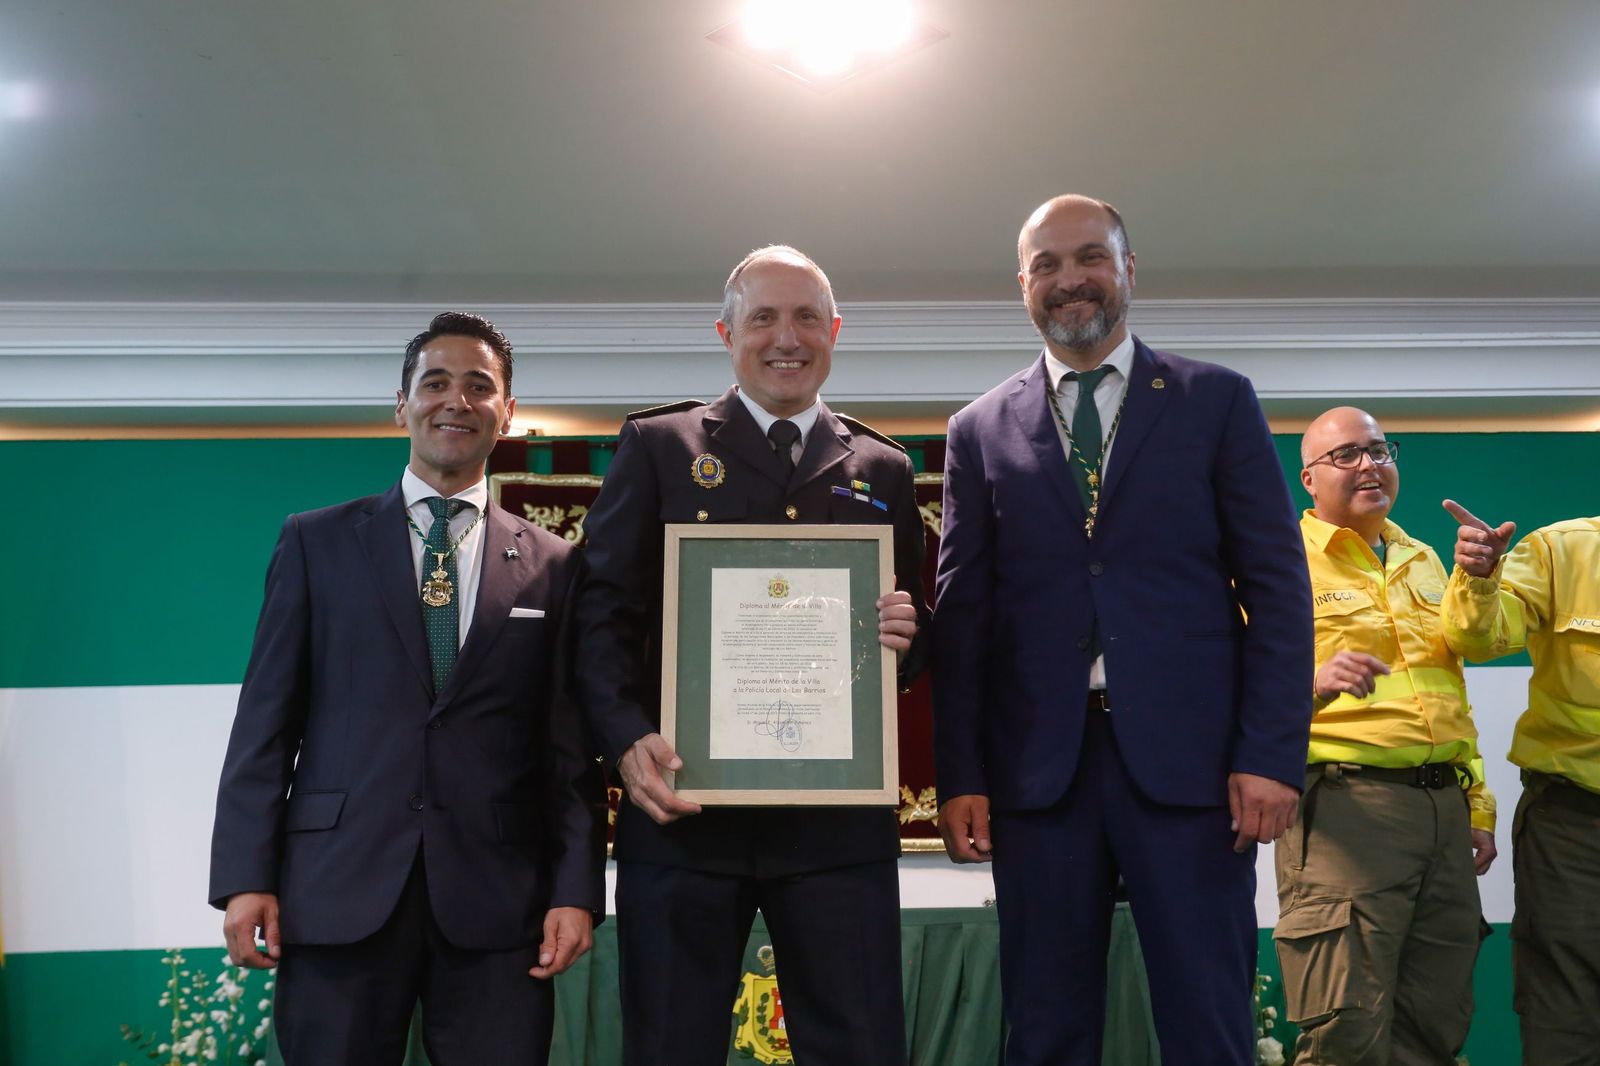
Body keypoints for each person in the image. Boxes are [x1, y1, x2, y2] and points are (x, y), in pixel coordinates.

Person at [932, 194, 1314, 1065]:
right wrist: (961, 773)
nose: (1070, 280)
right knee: (1046, 1027)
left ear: (1128, 270)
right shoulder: (977, 429)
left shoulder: (1216, 401)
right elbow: (965, 615)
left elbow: (1279, 592)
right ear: (1021, 284)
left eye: (1090, 257)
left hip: (1197, 774)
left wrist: (1269, 754)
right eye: (1047, 265)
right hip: (1038, 780)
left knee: (1209, 1021)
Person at [208, 312, 606, 1065]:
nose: (456, 401)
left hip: (500, 903)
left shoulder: (556, 565)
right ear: (402, 404)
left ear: (508, 412)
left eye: (479, 386)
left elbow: (569, 747)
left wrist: (575, 889)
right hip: (335, 890)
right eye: (435, 383)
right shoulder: (315, 542)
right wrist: (243, 875)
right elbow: (264, 722)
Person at [575, 245, 927, 1066]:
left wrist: (910, 639)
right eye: (762, 317)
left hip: (837, 828)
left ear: (835, 330)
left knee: (862, 1048)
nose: (786, 337)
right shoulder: (660, 447)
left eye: (807, 316)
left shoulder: (884, 467)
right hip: (684, 814)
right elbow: (600, 616)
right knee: (669, 1047)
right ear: (726, 332)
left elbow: (908, 637)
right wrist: (625, 741)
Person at [1275, 405, 1503, 1064]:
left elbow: (1448, 695)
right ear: (1309, 480)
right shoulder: (1278, 564)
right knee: (1344, 1028)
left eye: (1380, 450)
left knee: (1435, 1024)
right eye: (1345, 454)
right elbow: (1217, 686)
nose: (1369, 464)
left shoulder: (1422, 557)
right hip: (1347, 806)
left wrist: (1476, 803)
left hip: (1442, 808)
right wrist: (1312, 681)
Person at [1441, 511, 1600, 1064]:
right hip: (1577, 824)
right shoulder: (1563, 550)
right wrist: (1480, 578)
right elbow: (1478, 640)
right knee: (1565, 1014)